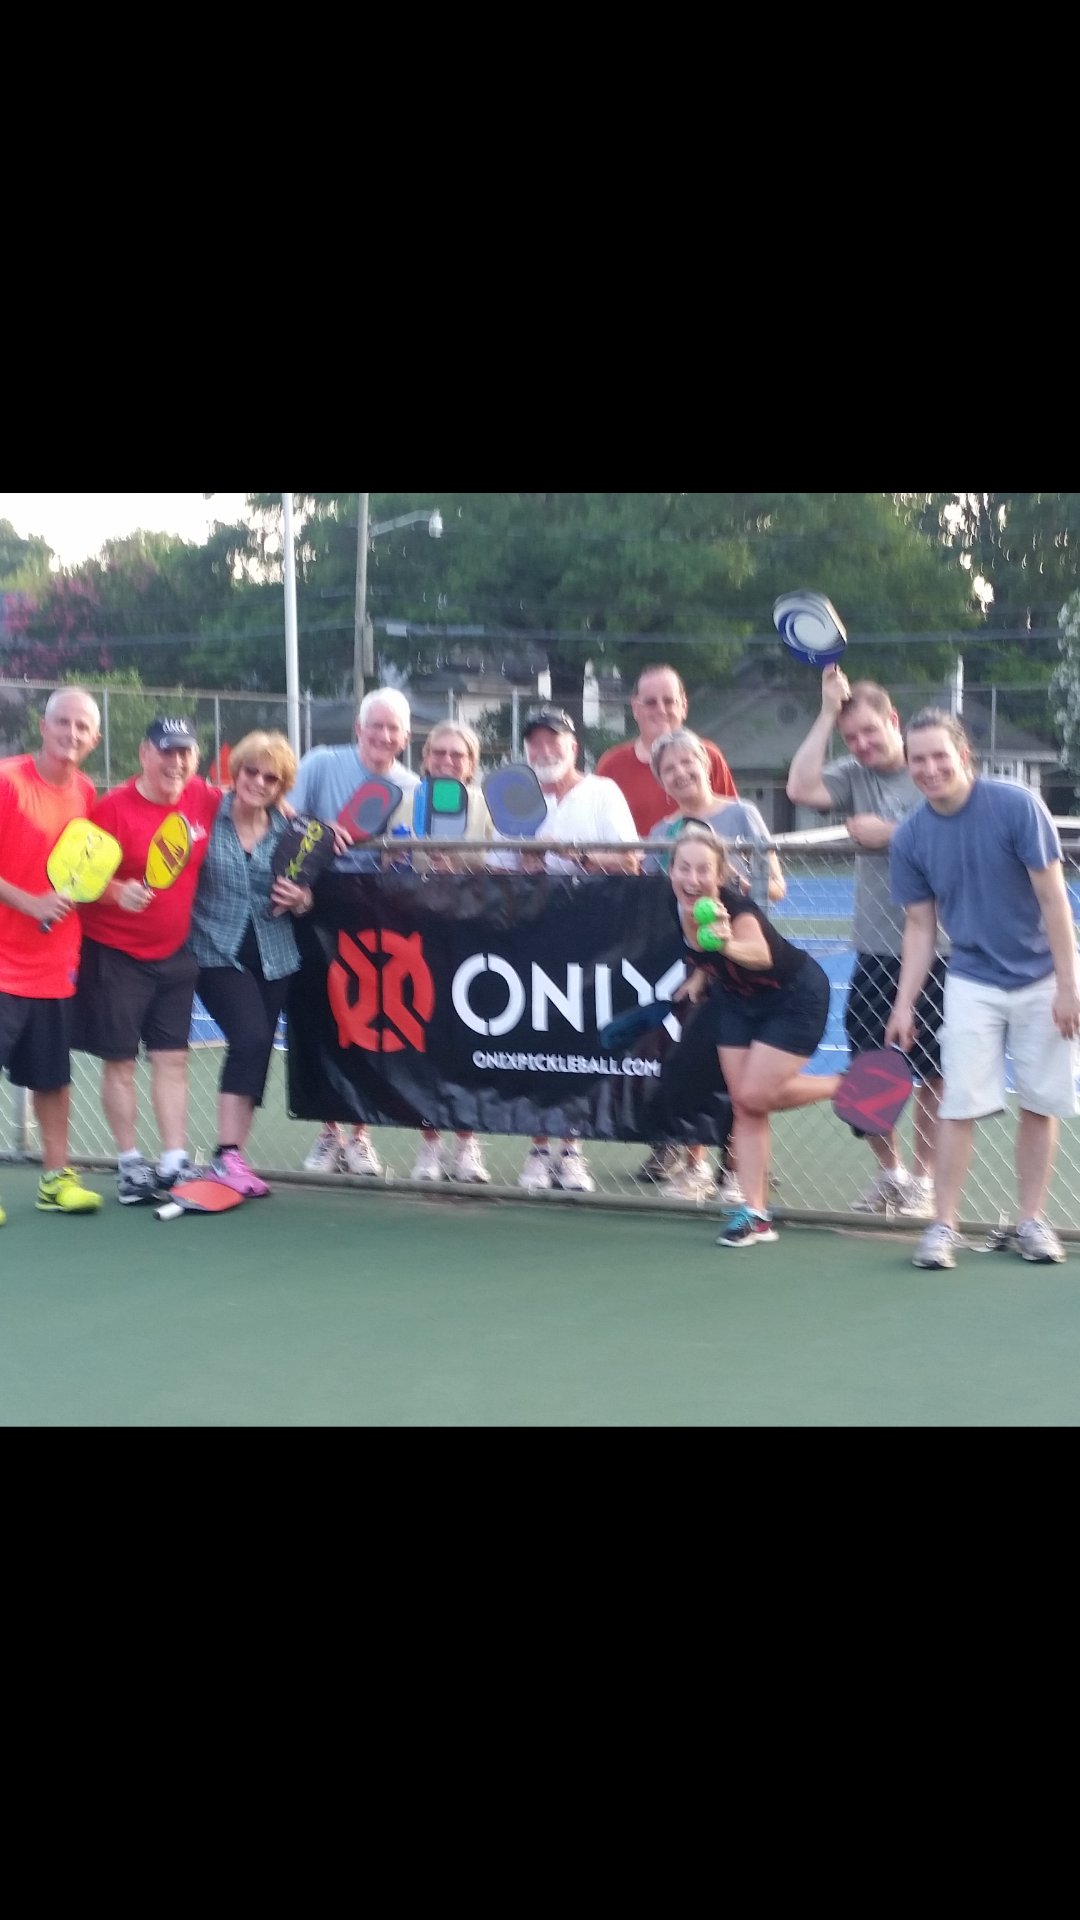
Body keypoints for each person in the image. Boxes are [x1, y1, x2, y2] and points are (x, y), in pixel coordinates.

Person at [885, 709, 1080, 1270]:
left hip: (1042, 979)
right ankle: (942, 1226)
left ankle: (1032, 1221)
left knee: (1039, 1103)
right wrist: (903, 1004)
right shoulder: (911, 836)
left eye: (939, 756)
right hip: (972, 979)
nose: (929, 768)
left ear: (963, 755)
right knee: (958, 1105)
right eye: (917, 759)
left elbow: (1054, 900)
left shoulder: (1017, 807)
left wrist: (1068, 986)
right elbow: (920, 927)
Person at [786, 668, 944, 1220]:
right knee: (869, 1069)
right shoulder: (853, 776)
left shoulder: (930, 767)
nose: (862, 744)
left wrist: (892, 835)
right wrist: (827, 711)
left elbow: (957, 832)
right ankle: (891, 1174)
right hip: (877, 948)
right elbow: (800, 787)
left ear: (893, 721)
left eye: (870, 731)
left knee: (936, 1072)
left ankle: (924, 1181)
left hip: (943, 949)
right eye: (851, 737)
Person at [669, 822, 844, 1249]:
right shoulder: (678, 907)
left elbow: (760, 955)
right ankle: (756, 1214)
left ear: (719, 875)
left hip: (793, 996)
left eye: (703, 870)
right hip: (737, 1002)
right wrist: (699, 977)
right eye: (684, 868)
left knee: (753, 1095)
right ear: (671, 871)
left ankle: (846, 1085)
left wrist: (725, 944)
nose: (692, 879)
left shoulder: (738, 911)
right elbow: (702, 953)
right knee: (746, 1105)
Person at [73, 716, 221, 1203]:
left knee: (172, 1059)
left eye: (185, 753)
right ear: (144, 754)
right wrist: (117, 891)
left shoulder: (201, 796)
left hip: (175, 955)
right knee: (120, 1062)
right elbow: (78, 880)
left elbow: (249, 803)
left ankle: (174, 1161)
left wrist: (284, 806)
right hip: (116, 955)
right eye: (166, 752)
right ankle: (130, 1164)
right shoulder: (112, 810)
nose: (176, 763)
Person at [647, 726, 786, 1202]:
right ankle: (695, 1166)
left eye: (687, 762)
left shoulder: (742, 815)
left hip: (743, 963)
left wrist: (734, 890)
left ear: (705, 764)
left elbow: (775, 886)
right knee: (697, 1061)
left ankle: (738, 1169)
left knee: (743, 1067)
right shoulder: (660, 834)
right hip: (688, 965)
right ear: (661, 779)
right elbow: (653, 898)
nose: (680, 773)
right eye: (669, 768)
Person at [290, 687, 419, 1178]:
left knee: (367, 1023)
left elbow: (414, 854)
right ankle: (329, 1133)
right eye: (375, 726)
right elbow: (284, 814)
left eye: (393, 728)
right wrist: (320, 830)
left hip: (376, 918)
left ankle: (360, 1135)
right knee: (321, 1020)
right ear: (358, 729)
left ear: (405, 737)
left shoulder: (411, 787)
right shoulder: (322, 763)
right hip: (313, 911)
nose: (383, 735)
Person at [513, 705, 638, 1194]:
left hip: (590, 941)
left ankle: (571, 1150)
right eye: (536, 742)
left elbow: (631, 861)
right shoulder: (517, 801)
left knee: (578, 1045)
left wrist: (575, 854)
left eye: (554, 740)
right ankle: (538, 1149)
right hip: (529, 939)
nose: (544, 750)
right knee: (533, 1045)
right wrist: (525, 864)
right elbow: (496, 868)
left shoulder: (602, 792)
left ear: (573, 746)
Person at [188, 732, 315, 1196]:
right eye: (251, 771)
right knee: (250, 1037)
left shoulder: (292, 831)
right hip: (214, 951)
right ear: (235, 771)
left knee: (257, 1052)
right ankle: (226, 1154)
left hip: (275, 955)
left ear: (281, 787)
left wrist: (301, 899)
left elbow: (309, 894)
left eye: (271, 778)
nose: (258, 782)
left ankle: (234, 1160)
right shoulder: (206, 814)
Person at [0, 687, 105, 1222]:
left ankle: (55, 1179)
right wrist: (30, 902)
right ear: (43, 727)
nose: (71, 733)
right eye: (62, 722)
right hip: (1, 963)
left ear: (95, 739)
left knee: (51, 1078)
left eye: (82, 726)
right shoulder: (7, 780)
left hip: (54, 965)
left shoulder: (86, 792)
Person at [408, 720, 495, 1185]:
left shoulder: (487, 805)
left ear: (471, 764)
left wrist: (458, 866)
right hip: (417, 939)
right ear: (425, 758)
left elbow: (501, 866)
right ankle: (430, 1144)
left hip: (471, 940)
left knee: (468, 1042)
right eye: (438, 753)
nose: (446, 761)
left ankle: (467, 1145)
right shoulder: (406, 799)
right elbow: (387, 860)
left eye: (457, 755)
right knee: (425, 1042)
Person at [595, 663, 738, 836]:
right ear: (635, 708)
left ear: (684, 706)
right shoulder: (612, 765)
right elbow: (597, 830)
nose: (661, 710)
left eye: (669, 701)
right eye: (651, 703)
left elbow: (732, 821)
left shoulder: (707, 756)